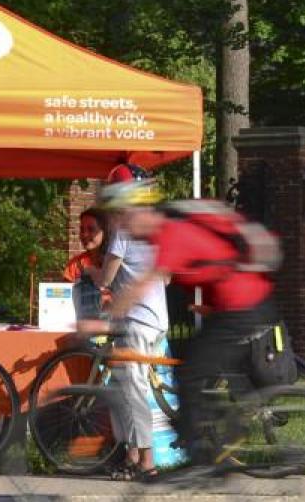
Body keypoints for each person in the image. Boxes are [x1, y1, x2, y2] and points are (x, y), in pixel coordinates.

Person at [96, 179, 278, 469]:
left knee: (190, 372)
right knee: (191, 365)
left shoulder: (170, 233)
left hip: (243, 305)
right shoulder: (164, 233)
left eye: (122, 216)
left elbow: (143, 284)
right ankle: (205, 438)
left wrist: (97, 323)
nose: (121, 226)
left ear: (139, 212)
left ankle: (199, 462)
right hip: (230, 306)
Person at [83, 165, 168, 481]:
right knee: (123, 388)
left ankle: (148, 462)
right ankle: (131, 456)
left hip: (135, 320)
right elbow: (168, 276)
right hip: (156, 319)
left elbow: (106, 277)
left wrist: (93, 273)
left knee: (133, 390)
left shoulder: (122, 228)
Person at [64, 208, 110, 320]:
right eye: (82, 229)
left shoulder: (115, 263)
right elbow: (64, 302)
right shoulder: (74, 265)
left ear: (104, 232)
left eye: (91, 229)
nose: (84, 234)